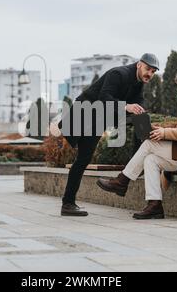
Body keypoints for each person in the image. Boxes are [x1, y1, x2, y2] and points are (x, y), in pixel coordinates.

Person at [97, 68, 177, 219]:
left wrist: (164, 133)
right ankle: (154, 205)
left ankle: (122, 181)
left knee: (150, 144)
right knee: (151, 160)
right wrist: (161, 129)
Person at [59, 53, 160, 216]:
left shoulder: (139, 81)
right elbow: (103, 98)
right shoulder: (118, 74)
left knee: (141, 119)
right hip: (87, 115)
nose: (150, 74)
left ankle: (127, 174)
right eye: (148, 69)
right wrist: (127, 106)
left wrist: (139, 109)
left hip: (104, 115)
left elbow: (139, 101)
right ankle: (68, 203)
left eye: (153, 71)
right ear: (139, 65)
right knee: (83, 160)